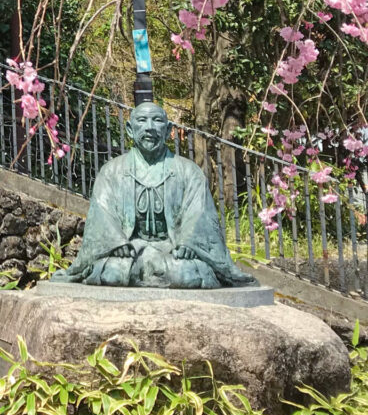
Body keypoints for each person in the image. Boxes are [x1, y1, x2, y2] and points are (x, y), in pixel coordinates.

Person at [51, 102, 256, 288]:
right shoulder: (112, 170)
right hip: (129, 251)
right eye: (142, 120)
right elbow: (102, 214)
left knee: (188, 276)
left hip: (172, 251)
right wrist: (116, 243)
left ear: (167, 131)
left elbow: (199, 213)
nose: (149, 127)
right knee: (112, 274)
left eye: (157, 121)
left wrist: (188, 243)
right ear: (131, 130)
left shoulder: (188, 171)